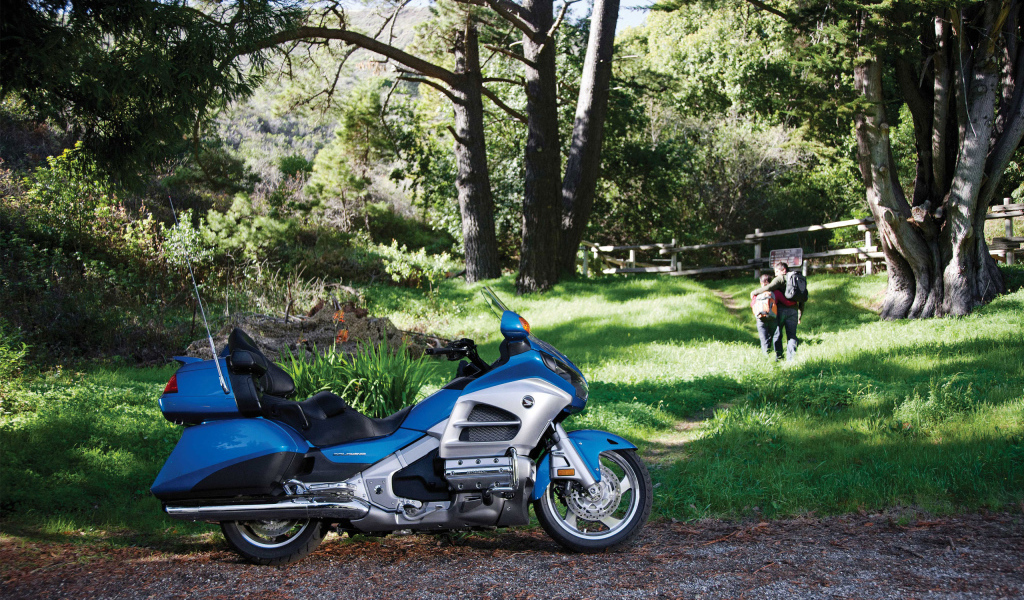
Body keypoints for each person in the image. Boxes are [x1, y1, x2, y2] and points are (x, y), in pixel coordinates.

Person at [750, 262, 804, 360]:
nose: (775, 274)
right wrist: (800, 313)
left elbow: (769, 287)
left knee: (777, 334)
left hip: (780, 310)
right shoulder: (797, 278)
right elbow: (802, 297)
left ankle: (779, 357)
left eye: (777, 271)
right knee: (792, 336)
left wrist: (755, 292)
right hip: (793, 311)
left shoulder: (781, 278)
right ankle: (791, 360)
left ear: (784, 270)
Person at [750, 274, 782, 359]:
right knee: (771, 336)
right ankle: (775, 354)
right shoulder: (775, 293)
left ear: (761, 282)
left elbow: (752, 304)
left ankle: (766, 357)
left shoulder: (756, 294)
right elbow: (780, 303)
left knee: (763, 338)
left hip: (760, 318)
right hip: (772, 318)